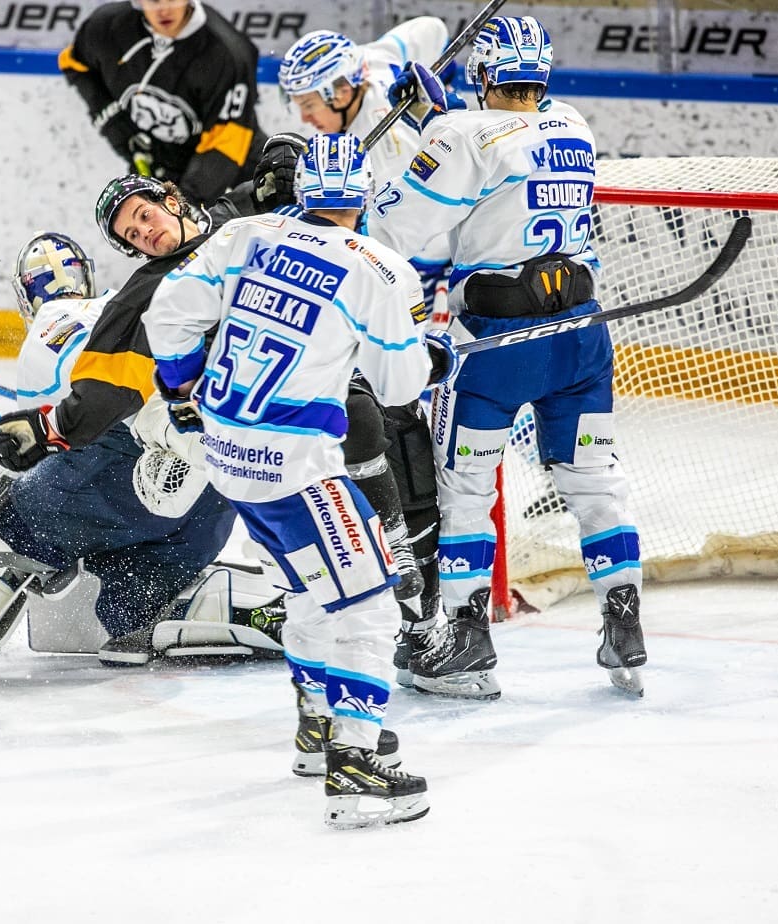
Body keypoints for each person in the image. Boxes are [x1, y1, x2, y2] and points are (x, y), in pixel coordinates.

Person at [145, 132, 453, 827]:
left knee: (309, 584)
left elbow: (168, 314)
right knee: (371, 600)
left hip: (226, 450)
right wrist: (433, 357)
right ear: (365, 197)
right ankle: (355, 762)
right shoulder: (379, 267)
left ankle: (318, 727)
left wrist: (182, 388)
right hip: (295, 465)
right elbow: (398, 386)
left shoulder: (247, 235)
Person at [0, 230, 283, 689]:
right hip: (214, 484)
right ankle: (230, 604)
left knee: (10, 507)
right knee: (133, 602)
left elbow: (57, 430)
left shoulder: (53, 322)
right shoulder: (131, 302)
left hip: (136, 467)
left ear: (26, 296)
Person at [369, 16, 648, 698]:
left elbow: (393, 225)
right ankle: (625, 619)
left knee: (466, 492)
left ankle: (467, 637)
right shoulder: (573, 124)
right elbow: (507, 144)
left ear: (483, 74)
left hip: (497, 347)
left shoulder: (460, 133)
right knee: (592, 481)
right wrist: (441, 120)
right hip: (581, 340)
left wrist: (417, 132)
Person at [277, 21, 457, 682]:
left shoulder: (388, 145)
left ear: (344, 88)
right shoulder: (369, 68)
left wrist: (435, 109)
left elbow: (397, 235)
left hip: (420, 277)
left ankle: (432, 588)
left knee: (405, 422)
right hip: (371, 283)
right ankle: (387, 560)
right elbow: (433, 27)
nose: (306, 118)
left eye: (311, 106)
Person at [59, 0, 265, 205]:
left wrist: (185, 204)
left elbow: (227, 141)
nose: (164, 10)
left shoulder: (228, 52)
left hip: (234, 172)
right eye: (155, 0)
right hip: (162, 171)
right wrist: (118, 126)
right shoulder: (107, 27)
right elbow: (74, 64)